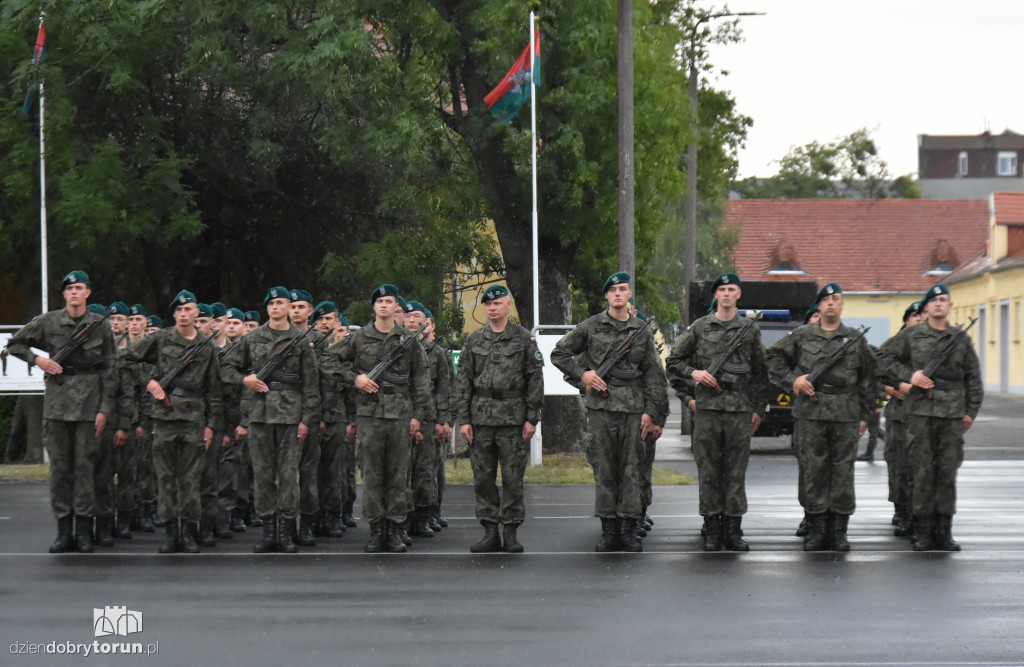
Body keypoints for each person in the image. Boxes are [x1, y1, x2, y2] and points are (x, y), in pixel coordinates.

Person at [551, 272, 667, 553]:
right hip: (601, 410)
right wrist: (584, 375)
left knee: (630, 471)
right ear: (606, 296)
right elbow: (559, 354)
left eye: (623, 289)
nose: (617, 293)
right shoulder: (591, 326)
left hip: (632, 411)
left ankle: (628, 530)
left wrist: (653, 414)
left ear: (629, 296)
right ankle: (609, 532)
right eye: (613, 289)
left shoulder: (641, 330)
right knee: (604, 471)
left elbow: (653, 376)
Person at [7, 270, 118, 553]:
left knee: (85, 469)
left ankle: (83, 531)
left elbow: (109, 369)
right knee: (60, 471)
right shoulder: (49, 322)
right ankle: (63, 531)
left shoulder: (99, 325)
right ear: (64, 294)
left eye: (79, 288)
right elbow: (14, 344)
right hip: (57, 407)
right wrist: (39, 360)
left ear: (88, 293)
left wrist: (105, 408)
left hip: (89, 407)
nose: (74, 293)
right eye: (69, 289)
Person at [766, 283, 877, 552]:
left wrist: (866, 415)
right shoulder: (802, 335)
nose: (830, 303)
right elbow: (772, 359)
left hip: (846, 415)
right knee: (813, 471)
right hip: (810, 415)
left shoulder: (854, 339)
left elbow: (869, 379)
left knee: (843, 472)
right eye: (825, 299)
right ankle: (816, 529)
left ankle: (838, 530)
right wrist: (793, 381)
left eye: (835, 298)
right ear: (819, 305)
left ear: (841, 305)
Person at [876, 284, 983, 551]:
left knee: (946, 473)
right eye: (934, 300)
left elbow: (973, 379)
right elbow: (881, 359)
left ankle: (943, 530)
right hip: (920, 413)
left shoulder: (961, 338)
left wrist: (970, 412)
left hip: (951, 415)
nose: (939, 304)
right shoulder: (911, 335)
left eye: (944, 300)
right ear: (926, 307)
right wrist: (908, 376)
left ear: (950, 306)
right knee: (922, 472)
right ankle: (922, 530)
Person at [666, 273, 769, 551]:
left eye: (731, 289)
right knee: (709, 471)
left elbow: (761, 373)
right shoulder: (700, 328)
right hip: (708, 411)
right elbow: (673, 364)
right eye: (721, 289)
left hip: (738, 412)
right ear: (715, 295)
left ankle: (733, 528)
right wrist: (695, 374)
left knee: (735, 472)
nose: (726, 294)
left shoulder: (749, 330)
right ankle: (712, 527)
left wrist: (758, 408)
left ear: (739, 294)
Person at [329, 284, 431, 553]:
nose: (385, 305)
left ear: (396, 306)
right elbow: (328, 360)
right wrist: (356, 378)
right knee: (372, 475)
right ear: (373, 306)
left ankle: (396, 530)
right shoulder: (359, 338)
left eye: (389, 301)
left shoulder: (407, 339)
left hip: (400, 415)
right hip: (370, 416)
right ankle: (376, 531)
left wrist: (418, 415)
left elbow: (420, 378)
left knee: (398, 475)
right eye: (380, 301)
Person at [222, 286, 320, 554]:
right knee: (263, 475)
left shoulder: (300, 340)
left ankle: (286, 531)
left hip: (291, 416)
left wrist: (307, 420)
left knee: (288, 476)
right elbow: (226, 368)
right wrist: (246, 379)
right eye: (272, 303)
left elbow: (311, 384)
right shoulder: (253, 338)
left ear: (290, 307)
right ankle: (269, 532)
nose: (277, 307)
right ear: (267, 308)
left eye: (281, 303)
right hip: (261, 415)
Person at [124, 289, 223, 554]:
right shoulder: (160, 339)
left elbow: (214, 389)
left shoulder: (207, 346)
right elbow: (127, 359)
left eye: (188, 309)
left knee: (191, 478)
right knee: (166, 478)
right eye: (178, 310)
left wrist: (211, 425)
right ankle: (170, 532)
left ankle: (189, 531)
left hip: (193, 419)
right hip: (164, 419)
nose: (183, 314)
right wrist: (149, 382)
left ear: (196, 312)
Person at [879, 302, 923, 537]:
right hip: (899, 415)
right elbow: (874, 366)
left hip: (926, 414)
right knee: (899, 465)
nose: (918, 319)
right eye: (914, 315)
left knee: (923, 466)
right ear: (906, 320)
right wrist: (890, 386)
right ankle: (902, 511)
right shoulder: (896, 343)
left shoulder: (933, 344)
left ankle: (920, 514)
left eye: (921, 315)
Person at [312, 301, 353, 538]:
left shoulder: (344, 349)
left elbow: (350, 387)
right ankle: (315, 515)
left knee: (335, 469)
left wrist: (352, 420)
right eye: (320, 319)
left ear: (338, 322)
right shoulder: (310, 347)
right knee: (313, 470)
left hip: (338, 415)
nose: (325, 323)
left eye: (329, 318)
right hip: (315, 414)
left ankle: (333, 515)